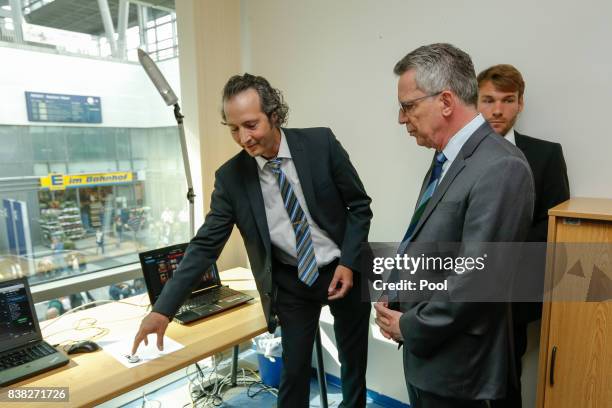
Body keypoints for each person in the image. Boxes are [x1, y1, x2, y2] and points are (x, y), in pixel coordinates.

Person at [132, 73, 372, 407]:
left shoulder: (320, 144)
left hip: (343, 268)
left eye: (251, 125)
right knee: (294, 372)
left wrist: (348, 260)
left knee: (353, 365)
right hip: (292, 281)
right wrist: (163, 310)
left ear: (274, 115)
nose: (243, 138)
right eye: (233, 128)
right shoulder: (231, 178)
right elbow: (205, 245)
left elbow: (359, 207)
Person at [373, 43, 534, 407]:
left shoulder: (501, 166)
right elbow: (429, 239)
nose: (402, 118)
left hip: (461, 372)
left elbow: (478, 279)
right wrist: (396, 289)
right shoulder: (447, 156)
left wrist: (409, 326)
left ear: (445, 101)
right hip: (428, 356)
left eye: (408, 106)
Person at [477, 63, 570, 407]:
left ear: (520, 103)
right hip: (460, 287)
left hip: (512, 293)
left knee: (505, 379)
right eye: (488, 100)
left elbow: (553, 223)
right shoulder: (455, 153)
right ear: (475, 102)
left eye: (507, 99)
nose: (497, 109)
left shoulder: (546, 154)